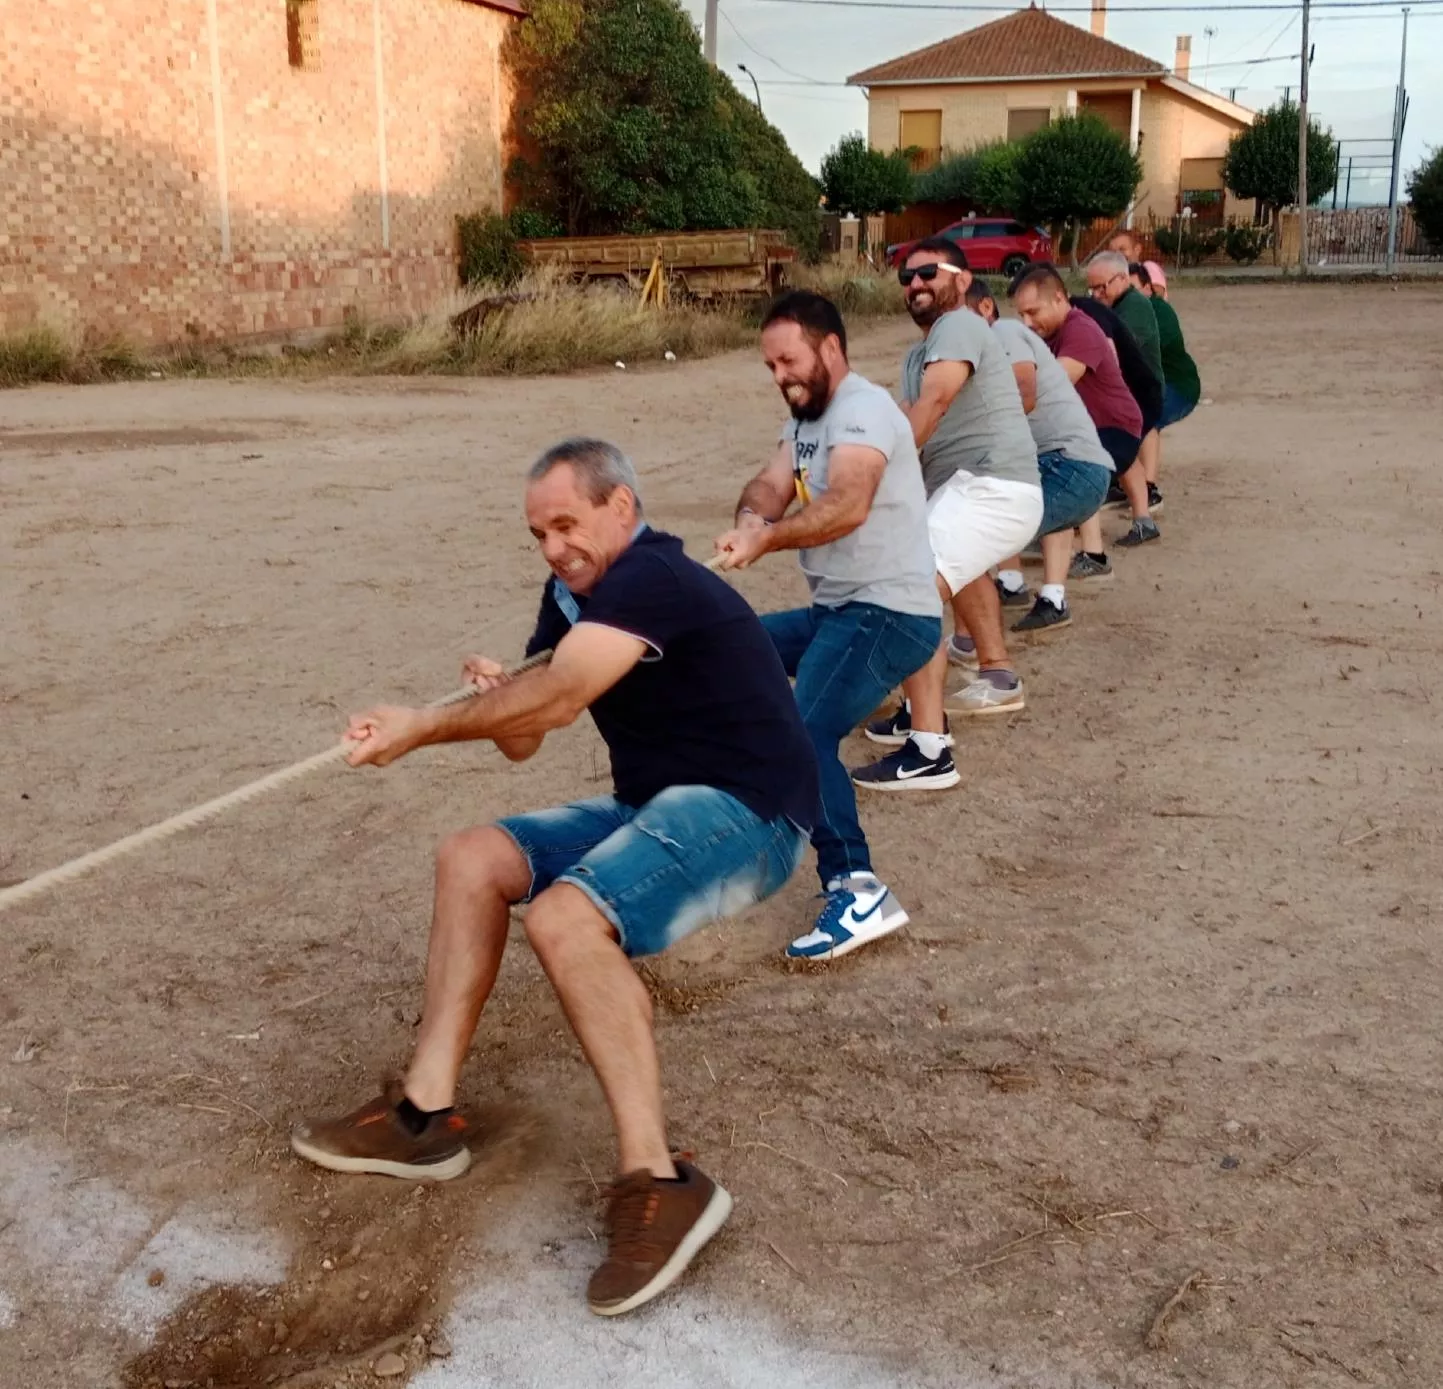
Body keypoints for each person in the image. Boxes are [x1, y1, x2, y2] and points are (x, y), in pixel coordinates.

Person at [291, 438, 820, 1318]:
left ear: (621, 507)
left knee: (566, 919)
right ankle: (423, 1118)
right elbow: (526, 733)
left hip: (751, 811)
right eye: (538, 532)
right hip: (658, 806)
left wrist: (424, 724)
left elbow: (561, 696)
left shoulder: (651, 576)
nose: (552, 547)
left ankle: (660, 1177)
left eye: (566, 523)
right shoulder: (571, 595)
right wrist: (490, 695)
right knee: (472, 856)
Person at [715, 291, 941, 953]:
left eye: (788, 360)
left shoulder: (863, 410)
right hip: (837, 611)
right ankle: (748, 814)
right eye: (770, 366)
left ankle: (856, 888)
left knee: (804, 729)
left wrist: (769, 540)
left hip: (888, 612)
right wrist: (752, 518)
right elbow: (768, 482)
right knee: (732, 648)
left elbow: (847, 503)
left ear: (830, 348)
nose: (780, 375)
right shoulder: (805, 421)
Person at [851, 236, 1042, 787]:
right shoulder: (921, 352)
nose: (915, 284)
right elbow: (907, 421)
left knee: (909, 589)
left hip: (991, 485)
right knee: (944, 575)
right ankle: (938, 702)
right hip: (970, 490)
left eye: (927, 272)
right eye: (905, 278)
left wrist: (867, 481)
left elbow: (931, 407)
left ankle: (930, 750)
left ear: (960, 279)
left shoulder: (959, 325)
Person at [962, 278, 1112, 633]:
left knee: (976, 527)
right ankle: (1042, 595)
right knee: (1005, 489)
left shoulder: (1004, 332)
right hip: (1078, 464)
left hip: (1070, 464)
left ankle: (971, 640)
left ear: (985, 308)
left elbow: (1024, 394)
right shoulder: (987, 346)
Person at [1010, 264, 1149, 568]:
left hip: (1115, 426)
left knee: (1078, 468)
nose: (1027, 322)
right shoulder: (1049, 334)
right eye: (1021, 315)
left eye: (1033, 312)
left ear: (1059, 298)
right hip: (1093, 427)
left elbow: (1054, 382)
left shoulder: (1080, 328)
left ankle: (1094, 555)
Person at [1065, 285, 1164, 563]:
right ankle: (1144, 522)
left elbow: (1109, 353)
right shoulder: (1088, 312)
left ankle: (1093, 553)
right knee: (1125, 457)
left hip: (1130, 397)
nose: (1097, 292)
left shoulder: (1081, 319)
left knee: (1087, 468)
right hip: (1126, 401)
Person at [1087, 250, 1166, 533]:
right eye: (1091, 288)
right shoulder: (1118, 305)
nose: (1096, 294)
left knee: (1116, 450)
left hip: (1143, 393)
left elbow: (1116, 349)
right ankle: (1141, 515)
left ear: (1121, 278)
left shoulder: (1135, 306)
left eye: (1101, 287)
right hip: (1131, 393)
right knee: (1123, 454)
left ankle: (1142, 506)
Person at [1130, 261, 1200, 435]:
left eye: (1132, 290)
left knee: (1142, 420)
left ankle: (1145, 463)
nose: (1127, 296)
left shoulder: (1160, 311)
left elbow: (1141, 350)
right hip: (1152, 386)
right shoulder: (1124, 309)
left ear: (1147, 288)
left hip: (1177, 386)